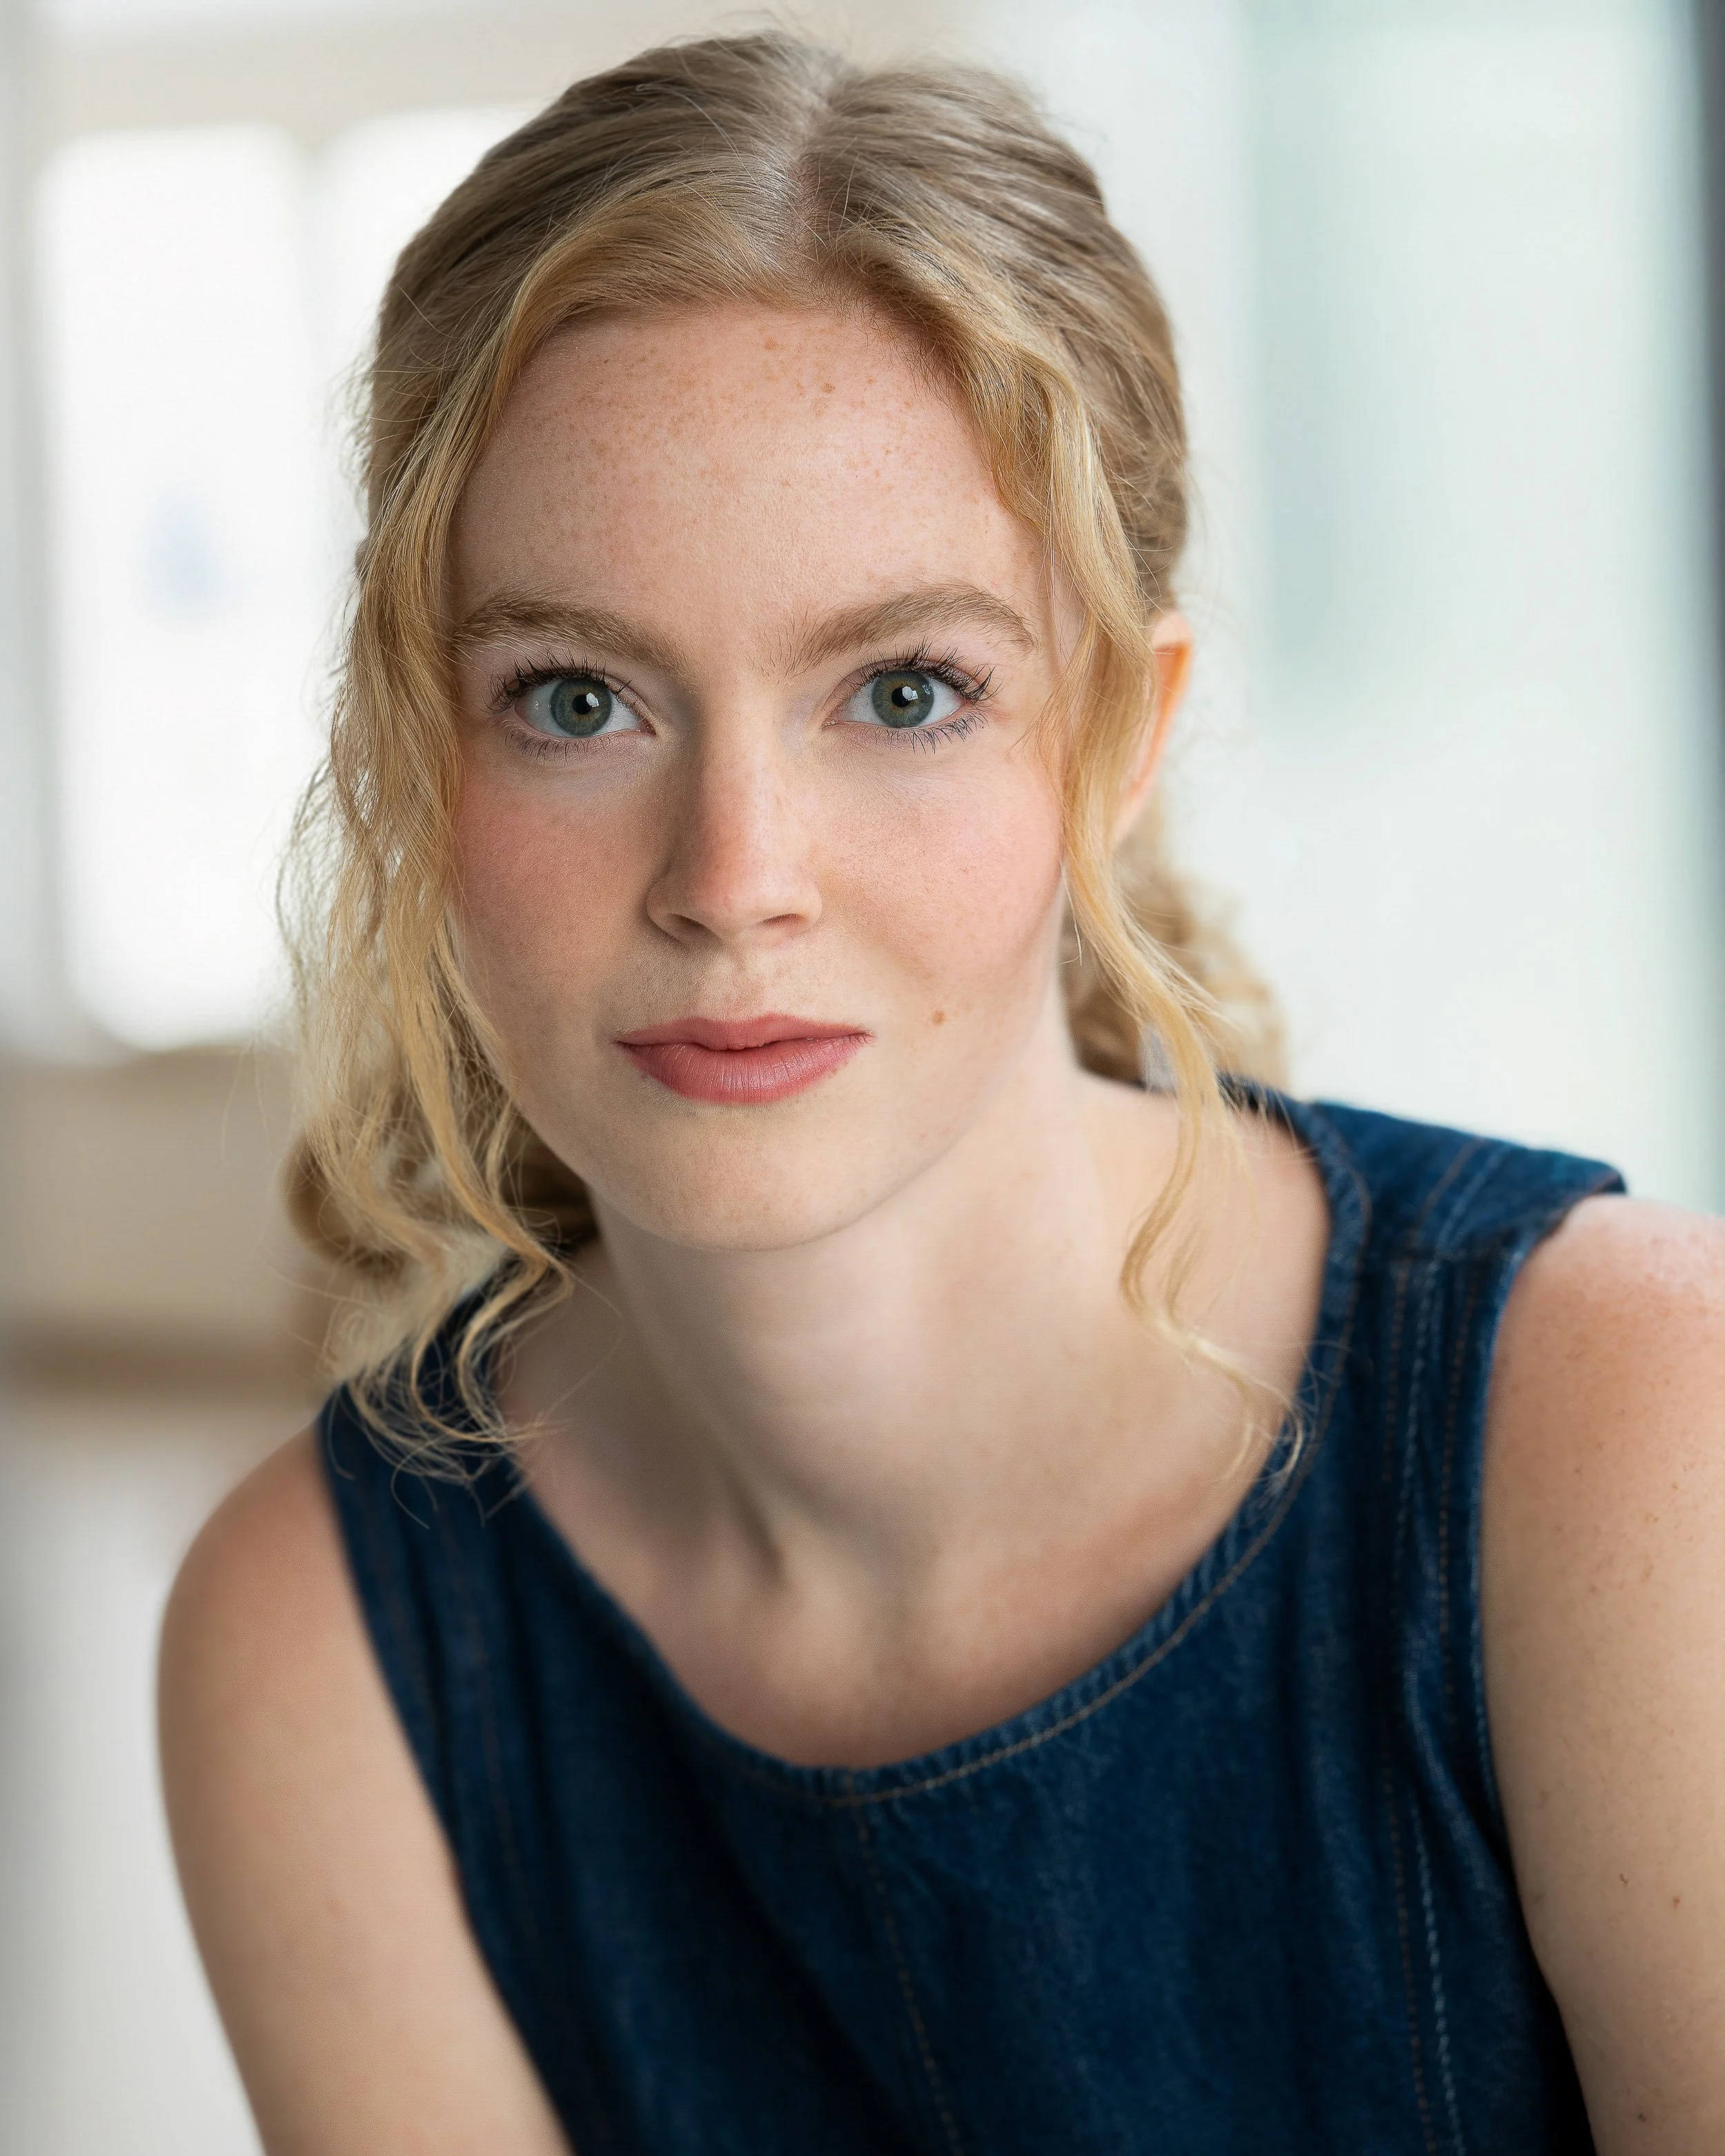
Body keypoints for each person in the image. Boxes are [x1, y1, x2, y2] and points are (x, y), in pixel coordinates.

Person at [158, 32, 1725, 2156]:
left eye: (903, 691)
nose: (733, 881)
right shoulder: (317, 1638)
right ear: (410, 759)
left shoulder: (1628, 1419)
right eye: (575, 697)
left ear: (1115, 736)